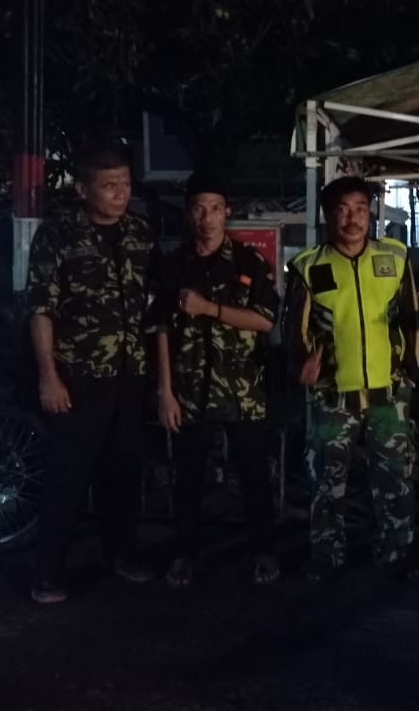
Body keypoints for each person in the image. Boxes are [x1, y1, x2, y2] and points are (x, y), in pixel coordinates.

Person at [26, 141, 157, 604]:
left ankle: (121, 552)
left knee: (123, 471)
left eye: (125, 184)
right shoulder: (58, 235)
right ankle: (48, 570)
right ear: (83, 190)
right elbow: (41, 309)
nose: (120, 194)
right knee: (68, 475)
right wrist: (48, 375)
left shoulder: (139, 232)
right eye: (109, 186)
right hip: (79, 376)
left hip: (129, 372)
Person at [285, 175, 419, 582]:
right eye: (342, 210)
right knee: (326, 481)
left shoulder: (395, 257)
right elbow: (293, 327)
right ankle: (327, 555)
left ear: (370, 213)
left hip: (388, 392)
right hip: (332, 394)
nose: (353, 218)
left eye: (360, 209)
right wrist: (301, 362)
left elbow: (412, 316)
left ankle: (395, 553)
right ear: (329, 216)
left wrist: (410, 371)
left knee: (394, 478)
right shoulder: (309, 266)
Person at [153, 172, 281, 588]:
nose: (206, 218)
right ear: (187, 213)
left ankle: (262, 550)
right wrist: (165, 391)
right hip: (189, 392)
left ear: (227, 212)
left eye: (214, 208)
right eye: (197, 208)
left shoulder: (248, 262)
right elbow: (160, 329)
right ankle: (184, 554)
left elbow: (265, 320)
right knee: (187, 478)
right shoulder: (173, 265)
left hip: (243, 392)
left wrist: (210, 309)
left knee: (254, 476)